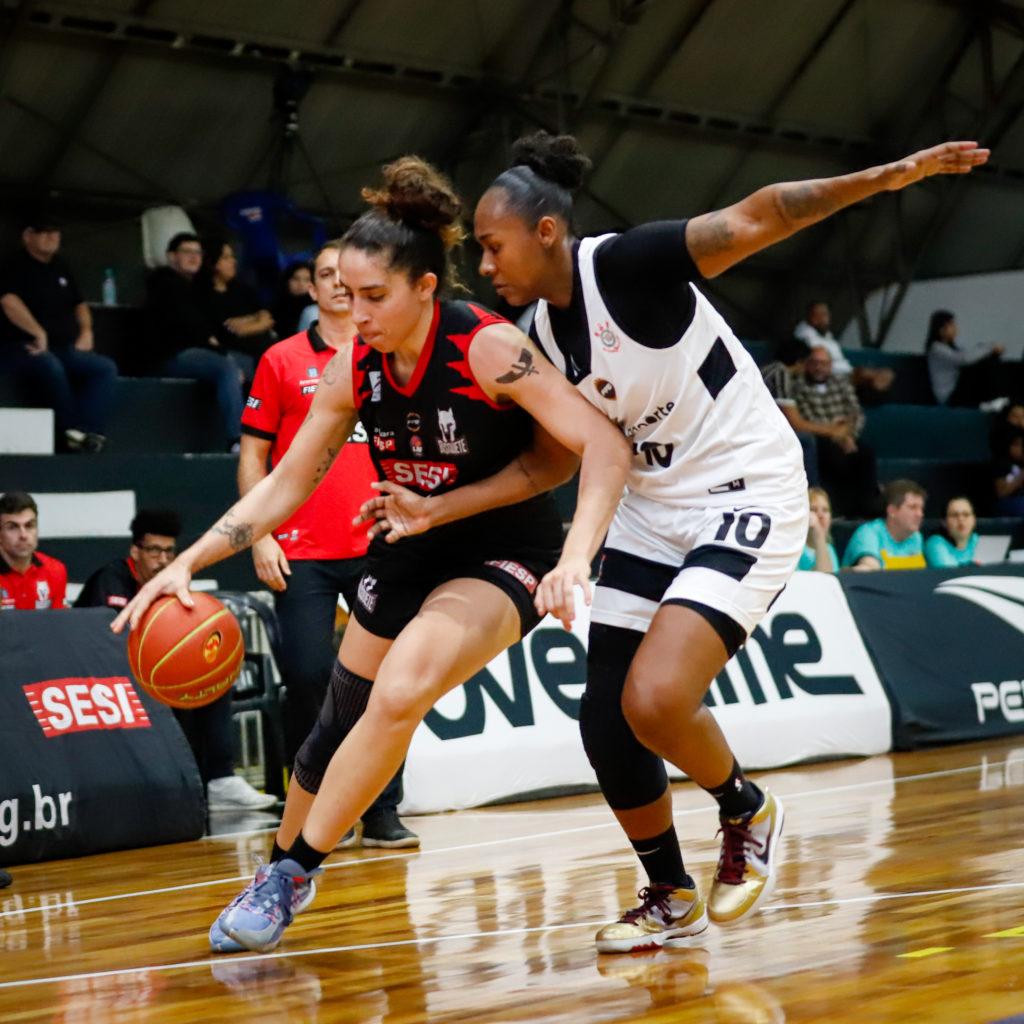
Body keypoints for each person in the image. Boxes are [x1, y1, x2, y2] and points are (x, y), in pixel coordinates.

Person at [436, 132, 985, 954]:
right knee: (605, 721)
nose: (484, 264)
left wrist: (892, 176)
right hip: (653, 510)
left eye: (491, 244)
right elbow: (551, 460)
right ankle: (668, 894)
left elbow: (761, 214)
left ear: (544, 231)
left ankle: (745, 808)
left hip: (746, 488)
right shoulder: (538, 336)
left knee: (654, 700)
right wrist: (436, 507)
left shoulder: (627, 265)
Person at [111, 156, 630, 955]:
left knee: (402, 690)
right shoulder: (354, 362)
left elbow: (599, 441)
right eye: (346, 296)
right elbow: (286, 482)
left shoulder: (485, 348)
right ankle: (279, 871)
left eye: (375, 297)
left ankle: (297, 867)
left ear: (427, 288)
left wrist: (576, 557)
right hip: (407, 541)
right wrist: (192, 562)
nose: (357, 314)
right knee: (337, 717)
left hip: (504, 551)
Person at [239, 240, 418, 849]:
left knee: (387, 681)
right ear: (311, 290)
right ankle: (312, 812)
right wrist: (260, 533)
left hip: (379, 544)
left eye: (349, 276)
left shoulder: (390, 353)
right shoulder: (282, 359)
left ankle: (383, 811)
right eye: (326, 276)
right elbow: (254, 453)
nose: (340, 286)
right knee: (310, 675)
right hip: (302, 551)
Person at [75, 508, 275, 811]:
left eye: (169, 551)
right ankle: (170, 782)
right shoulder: (112, 579)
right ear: (135, 551)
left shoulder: (171, 583)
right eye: (154, 550)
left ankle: (220, 779)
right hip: (102, 677)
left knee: (212, 672)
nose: (163, 559)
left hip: (150, 673)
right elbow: (107, 642)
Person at [0, 212, 117, 452]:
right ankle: (69, 431)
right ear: (28, 236)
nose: (51, 237)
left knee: (103, 368)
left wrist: (86, 331)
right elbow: (9, 301)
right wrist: (37, 332)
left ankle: (89, 431)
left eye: (55, 231)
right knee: (50, 366)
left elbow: (80, 304)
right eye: (43, 231)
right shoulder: (13, 265)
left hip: (64, 346)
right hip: (22, 346)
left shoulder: (61, 266)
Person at [144, 232, 244, 451]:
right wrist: (220, 351)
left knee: (256, 365)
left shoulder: (196, 287)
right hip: (171, 356)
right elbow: (190, 328)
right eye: (187, 252)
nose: (193, 257)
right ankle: (236, 439)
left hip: (197, 353)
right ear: (171, 257)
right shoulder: (165, 283)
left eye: (197, 253)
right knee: (226, 365)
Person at [792, 345, 878, 516]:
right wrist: (836, 433)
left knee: (866, 453)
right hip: (821, 438)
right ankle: (837, 509)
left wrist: (848, 435)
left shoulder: (841, 383)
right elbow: (807, 418)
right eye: (815, 363)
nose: (819, 367)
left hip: (847, 435)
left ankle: (867, 508)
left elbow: (856, 413)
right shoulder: (798, 386)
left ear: (830, 365)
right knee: (835, 457)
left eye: (823, 363)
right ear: (807, 364)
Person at [760, 336, 852, 487]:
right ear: (800, 361)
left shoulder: (772, 370)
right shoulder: (780, 374)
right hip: (756, 430)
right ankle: (812, 491)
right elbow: (796, 423)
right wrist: (832, 431)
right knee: (806, 441)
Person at [201, 239, 274, 378]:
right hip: (235, 352)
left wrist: (247, 321)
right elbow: (230, 330)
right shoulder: (204, 294)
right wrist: (256, 320)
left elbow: (267, 318)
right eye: (226, 258)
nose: (233, 261)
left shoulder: (241, 288)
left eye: (233, 257)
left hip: (264, 348)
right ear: (212, 262)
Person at [794, 300, 893, 402]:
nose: (826, 318)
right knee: (866, 374)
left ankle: (874, 395)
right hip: (831, 374)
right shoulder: (804, 333)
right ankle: (873, 394)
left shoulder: (827, 335)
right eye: (822, 314)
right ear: (812, 317)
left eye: (826, 314)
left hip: (847, 372)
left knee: (887, 373)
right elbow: (818, 360)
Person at [0, 491, 67, 610]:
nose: (23, 535)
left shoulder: (55, 571)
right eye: (12, 527)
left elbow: (58, 625)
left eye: (29, 525)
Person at [842, 479, 927, 571]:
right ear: (892, 511)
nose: (920, 514)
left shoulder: (916, 537)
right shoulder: (868, 533)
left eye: (921, 508)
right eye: (912, 507)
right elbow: (871, 570)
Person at [925, 310, 1005, 407]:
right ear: (941, 329)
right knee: (986, 357)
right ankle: (996, 399)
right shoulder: (936, 348)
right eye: (952, 325)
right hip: (950, 397)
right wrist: (990, 347)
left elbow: (970, 355)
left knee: (987, 356)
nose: (955, 328)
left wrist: (988, 348)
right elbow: (963, 360)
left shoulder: (952, 348)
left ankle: (996, 400)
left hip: (959, 392)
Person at [924, 496, 980, 568]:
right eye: (954, 515)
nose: (961, 519)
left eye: (966, 514)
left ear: (974, 519)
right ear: (944, 522)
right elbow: (951, 573)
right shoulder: (934, 543)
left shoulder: (978, 540)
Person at [271, 260, 316, 340]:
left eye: (307, 280)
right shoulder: (277, 306)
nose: (301, 284)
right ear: (287, 281)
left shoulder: (314, 309)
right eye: (296, 279)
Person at [798, 487, 839, 573]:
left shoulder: (829, 549)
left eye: (825, 510)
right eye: (813, 509)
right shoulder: (796, 549)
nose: (820, 515)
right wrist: (818, 534)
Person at [993, 427, 1024, 516]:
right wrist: (1020, 476)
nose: (1020, 449)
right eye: (1016, 445)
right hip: (1009, 503)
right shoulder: (1002, 464)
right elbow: (1001, 493)